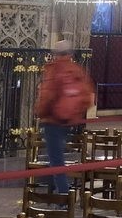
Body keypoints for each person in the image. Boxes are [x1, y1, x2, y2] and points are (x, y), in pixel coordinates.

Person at [34, 40, 95, 195]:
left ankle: (63, 195)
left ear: (55, 54)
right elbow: (88, 97)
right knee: (56, 157)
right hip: (68, 121)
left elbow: (48, 94)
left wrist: (41, 112)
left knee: (56, 160)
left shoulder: (55, 69)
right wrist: (74, 114)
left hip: (53, 120)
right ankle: (56, 190)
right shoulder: (76, 69)